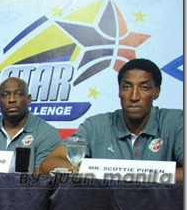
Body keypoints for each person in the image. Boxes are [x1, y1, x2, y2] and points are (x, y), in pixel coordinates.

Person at [39, 58, 183, 183]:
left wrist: (129, 177)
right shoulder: (96, 125)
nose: (134, 96)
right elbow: (49, 164)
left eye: (144, 87)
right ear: (119, 91)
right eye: (127, 87)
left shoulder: (176, 121)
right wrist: (104, 173)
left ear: (156, 92)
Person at [0, 77, 61, 174]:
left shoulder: (47, 133)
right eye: (5, 95)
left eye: (18, 94)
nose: (12, 100)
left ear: (29, 99)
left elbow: (41, 179)